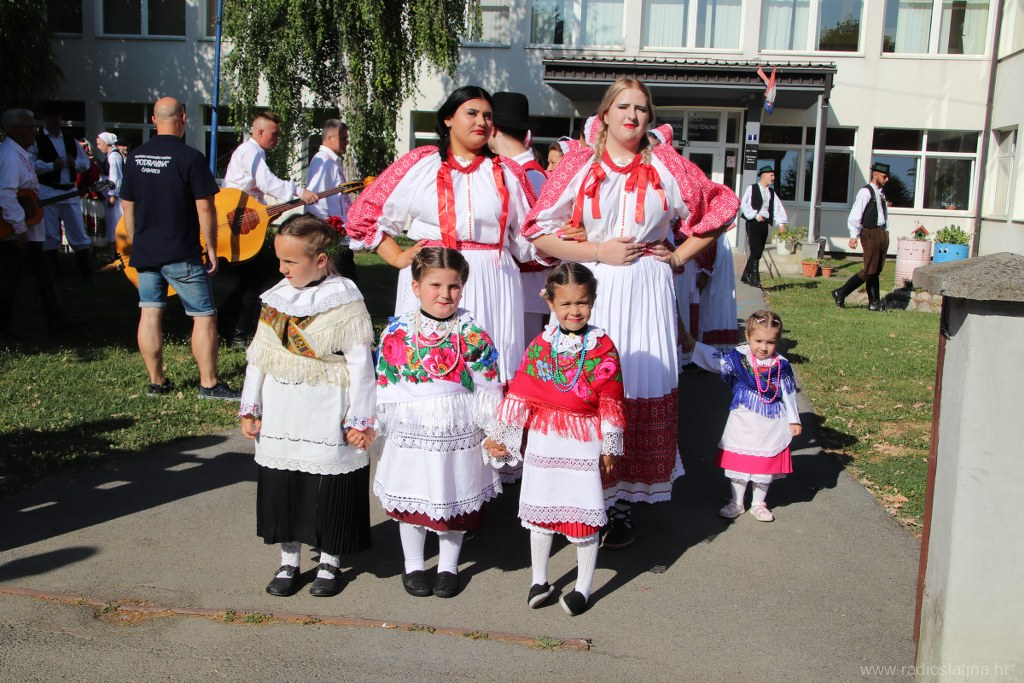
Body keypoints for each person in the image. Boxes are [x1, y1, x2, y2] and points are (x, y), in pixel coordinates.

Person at [523, 77, 739, 549]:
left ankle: (618, 506)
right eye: (623, 106)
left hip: (646, 287)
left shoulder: (667, 164)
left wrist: (678, 257)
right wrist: (597, 251)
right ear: (605, 114)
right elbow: (538, 230)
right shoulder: (580, 162)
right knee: (583, 385)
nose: (632, 115)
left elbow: (722, 208)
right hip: (593, 285)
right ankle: (578, 501)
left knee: (637, 381)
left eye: (641, 108)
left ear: (649, 118)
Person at [346, 85, 537, 386]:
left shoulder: (507, 172)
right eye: (472, 113)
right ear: (448, 118)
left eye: (488, 116)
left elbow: (532, 234)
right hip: (433, 271)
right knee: (427, 363)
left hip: (492, 279)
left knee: (488, 366)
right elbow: (363, 216)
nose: (481, 122)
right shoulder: (420, 164)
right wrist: (396, 256)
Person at [239, 214, 376, 598]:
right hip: (282, 408)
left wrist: (361, 418)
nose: (282, 269)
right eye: (279, 260)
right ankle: (289, 560)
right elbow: (259, 357)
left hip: (326, 406)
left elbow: (361, 367)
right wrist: (251, 406)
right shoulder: (275, 298)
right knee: (284, 485)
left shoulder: (345, 300)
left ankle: (330, 561)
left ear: (320, 260)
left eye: (290, 261)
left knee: (328, 487)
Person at [484, 263, 625, 616]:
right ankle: (539, 579)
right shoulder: (540, 346)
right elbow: (521, 393)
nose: (574, 311)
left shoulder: (603, 346)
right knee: (541, 509)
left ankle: (583, 587)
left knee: (583, 511)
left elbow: (611, 400)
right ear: (550, 302)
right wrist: (502, 436)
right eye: (565, 304)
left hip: (583, 439)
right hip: (545, 439)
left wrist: (610, 445)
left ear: (593, 300)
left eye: (582, 302)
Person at [373, 247, 503, 599]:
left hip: (456, 429)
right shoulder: (398, 330)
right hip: (411, 431)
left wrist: (496, 430)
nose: (445, 294)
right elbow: (383, 384)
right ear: (416, 287)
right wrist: (373, 423)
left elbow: (489, 386)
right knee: (411, 498)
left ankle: (448, 566)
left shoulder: (472, 332)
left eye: (454, 286)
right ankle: (413, 564)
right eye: (435, 285)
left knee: (453, 496)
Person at [119, 96, 239, 400]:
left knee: (150, 312)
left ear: (153, 121)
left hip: (146, 252)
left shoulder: (135, 157)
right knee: (203, 315)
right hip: (181, 252)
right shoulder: (190, 157)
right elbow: (205, 208)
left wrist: (137, 242)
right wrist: (211, 248)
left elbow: (127, 206)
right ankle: (209, 384)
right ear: (183, 119)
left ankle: (156, 382)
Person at [683, 310, 801, 522]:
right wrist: (694, 345)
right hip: (743, 420)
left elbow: (788, 393)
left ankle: (758, 503)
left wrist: (794, 420)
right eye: (758, 341)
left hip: (771, 423)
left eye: (770, 342)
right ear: (747, 336)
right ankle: (736, 501)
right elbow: (717, 362)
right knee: (739, 465)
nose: (763, 347)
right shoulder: (739, 358)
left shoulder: (781, 365)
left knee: (764, 466)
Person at [220, 111, 318, 347]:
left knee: (254, 278)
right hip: (238, 226)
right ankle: (235, 331)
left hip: (245, 223)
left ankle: (229, 325)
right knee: (255, 279)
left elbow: (256, 191)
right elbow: (266, 182)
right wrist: (298, 191)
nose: (277, 139)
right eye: (274, 134)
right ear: (260, 132)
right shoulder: (250, 152)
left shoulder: (253, 152)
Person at [0, 108, 74, 341]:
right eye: (30, 127)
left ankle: (57, 320)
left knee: (43, 273)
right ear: (14, 129)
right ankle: (5, 326)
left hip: (26, 230)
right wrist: (19, 228)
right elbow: (6, 194)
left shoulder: (19, 153)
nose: (35, 131)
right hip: (15, 232)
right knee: (10, 278)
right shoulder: (10, 156)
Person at [488, 91, 551, 343]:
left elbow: (537, 239)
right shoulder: (526, 171)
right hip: (521, 284)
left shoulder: (528, 174)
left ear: (493, 129)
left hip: (527, 286)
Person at [31, 104, 93, 281]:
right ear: (45, 119)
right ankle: (54, 273)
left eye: (58, 116)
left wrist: (75, 164)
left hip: (69, 190)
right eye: (53, 116)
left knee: (77, 231)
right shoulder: (37, 141)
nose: (56, 120)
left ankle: (86, 271)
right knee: (50, 233)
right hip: (48, 191)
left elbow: (85, 163)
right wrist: (51, 166)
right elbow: (31, 165)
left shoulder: (69, 139)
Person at [833, 162, 891, 312]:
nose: (887, 179)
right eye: (884, 176)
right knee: (869, 270)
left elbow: (882, 214)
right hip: (870, 232)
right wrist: (853, 235)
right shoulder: (865, 192)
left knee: (876, 270)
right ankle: (841, 292)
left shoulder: (881, 193)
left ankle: (874, 303)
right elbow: (855, 215)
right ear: (876, 174)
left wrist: (885, 232)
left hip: (881, 232)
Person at [304, 119, 357, 281]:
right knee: (344, 279)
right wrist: (326, 231)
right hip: (332, 235)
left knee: (346, 278)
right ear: (330, 139)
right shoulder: (324, 162)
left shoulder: (332, 161)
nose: (346, 142)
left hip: (339, 233)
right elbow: (316, 200)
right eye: (343, 138)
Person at [739, 165, 788, 288]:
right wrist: (755, 215)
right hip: (753, 222)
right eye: (771, 175)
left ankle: (746, 275)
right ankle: (755, 279)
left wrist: (781, 223)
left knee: (759, 251)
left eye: (773, 175)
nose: (773, 178)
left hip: (765, 223)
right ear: (764, 175)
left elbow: (777, 207)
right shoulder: (752, 188)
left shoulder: (771, 192)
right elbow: (744, 204)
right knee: (755, 249)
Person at [95, 131, 123, 255]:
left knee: (114, 222)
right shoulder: (111, 155)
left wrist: (112, 195)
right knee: (111, 222)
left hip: (113, 195)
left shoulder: (113, 156)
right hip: (110, 192)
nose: (98, 146)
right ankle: (114, 252)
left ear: (106, 143)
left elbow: (116, 177)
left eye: (99, 143)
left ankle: (116, 252)